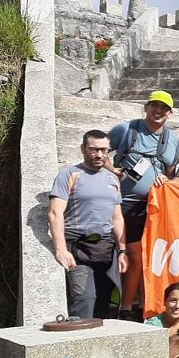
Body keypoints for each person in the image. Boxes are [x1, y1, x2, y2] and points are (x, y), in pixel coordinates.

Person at [108, 91, 179, 320]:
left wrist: (166, 181)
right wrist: (114, 172)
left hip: (155, 208)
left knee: (151, 260)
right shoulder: (127, 130)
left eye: (163, 108)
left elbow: (170, 173)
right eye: (154, 106)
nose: (158, 111)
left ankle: (143, 306)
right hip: (126, 205)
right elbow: (99, 151)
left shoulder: (174, 140)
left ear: (170, 113)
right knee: (137, 258)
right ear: (146, 107)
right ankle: (127, 309)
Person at [48, 130, 127, 319]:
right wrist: (60, 249)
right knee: (84, 304)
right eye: (94, 149)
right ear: (83, 149)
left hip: (106, 251)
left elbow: (117, 218)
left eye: (104, 150)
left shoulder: (112, 178)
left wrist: (123, 251)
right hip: (78, 250)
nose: (99, 154)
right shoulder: (69, 174)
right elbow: (54, 212)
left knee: (107, 305)